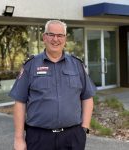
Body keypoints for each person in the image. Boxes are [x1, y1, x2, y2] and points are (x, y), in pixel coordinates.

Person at [9, 20, 96, 150]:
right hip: (39, 138)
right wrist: (19, 138)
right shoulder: (31, 65)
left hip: (72, 137)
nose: (55, 39)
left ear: (65, 39)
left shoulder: (77, 65)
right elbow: (20, 103)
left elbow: (87, 97)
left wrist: (84, 128)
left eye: (60, 35)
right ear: (44, 37)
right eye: (51, 34)